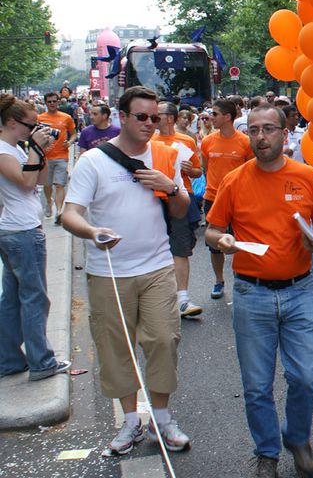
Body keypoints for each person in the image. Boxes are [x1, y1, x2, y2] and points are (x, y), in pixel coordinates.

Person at [61, 86, 192, 454]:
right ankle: (131, 421)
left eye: (156, 117)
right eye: (142, 117)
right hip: (108, 272)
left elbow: (181, 212)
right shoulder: (94, 162)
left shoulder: (166, 155)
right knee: (116, 348)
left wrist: (171, 188)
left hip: (157, 267)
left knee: (164, 340)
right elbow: (69, 214)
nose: (151, 124)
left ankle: (163, 419)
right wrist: (92, 232)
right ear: (122, 116)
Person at [205, 105, 313, 478]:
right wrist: (223, 240)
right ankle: (267, 453)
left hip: (300, 291)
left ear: (283, 132)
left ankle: (298, 438)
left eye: (268, 130)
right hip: (251, 294)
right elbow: (211, 229)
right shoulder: (235, 180)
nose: (261, 137)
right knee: (257, 385)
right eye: (254, 130)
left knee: (306, 376)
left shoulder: (306, 176)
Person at [0, 95, 70, 381]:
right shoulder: (4, 151)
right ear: (12, 122)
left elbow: (39, 182)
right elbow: (27, 182)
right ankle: (42, 362)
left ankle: (10, 361)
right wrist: (36, 149)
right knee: (34, 298)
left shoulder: (16, 148)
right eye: (31, 125)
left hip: (19, 229)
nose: (35, 130)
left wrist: (39, 151)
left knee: (14, 299)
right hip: (21, 232)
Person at [153, 101, 204, 319]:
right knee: (155, 248)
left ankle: (183, 298)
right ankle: (159, 299)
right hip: (153, 199)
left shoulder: (186, 140)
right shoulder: (149, 141)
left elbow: (197, 171)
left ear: (170, 118)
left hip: (182, 197)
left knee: (181, 247)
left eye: (158, 114)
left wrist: (189, 169)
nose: (154, 118)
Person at [200, 98, 254, 300]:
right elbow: (207, 168)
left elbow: (251, 171)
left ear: (227, 117)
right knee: (215, 245)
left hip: (239, 200)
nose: (210, 117)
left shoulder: (245, 142)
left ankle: (241, 279)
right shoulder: (207, 141)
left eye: (214, 114)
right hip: (213, 198)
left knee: (240, 242)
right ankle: (219, 281)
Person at [37, 92, 77, 223]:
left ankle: (59, 211)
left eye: (54, 101)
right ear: (45, 103)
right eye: (49, 102)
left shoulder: (66, 118)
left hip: (61, 156)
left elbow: (74, 134)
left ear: (58, 102)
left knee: (60, 184)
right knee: (47, 185)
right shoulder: (40, 118)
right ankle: (49, 202)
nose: (52, 104)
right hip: (45, 157)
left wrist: (70, 142)